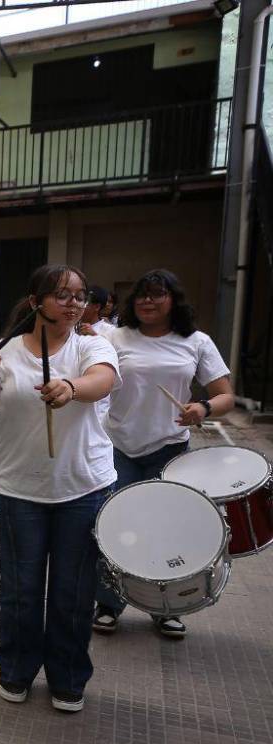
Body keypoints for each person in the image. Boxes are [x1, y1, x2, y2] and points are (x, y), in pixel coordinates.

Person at [0, 264, 120, 713]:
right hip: (19, 489)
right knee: (21, 591)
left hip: (84, 488)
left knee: (73, 593)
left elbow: (102, 380)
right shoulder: (2, 351)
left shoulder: (91, 344)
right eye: (62, 294)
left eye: (79, 295)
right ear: (35, 302)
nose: (73, 303)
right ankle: (16, 669)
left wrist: (70, 386)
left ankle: (68, 676)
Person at [93, 268, 235, 639]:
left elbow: (226, 396)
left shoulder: (196, 342)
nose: (148, 301)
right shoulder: (114, 336)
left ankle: (165, 607)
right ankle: (108, 604)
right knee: (113, 526)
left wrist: (203, 408)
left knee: (163, 529)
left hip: (169, 449)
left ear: (174, 300)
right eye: (142, 294)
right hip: (117, 446)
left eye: (157, 294)